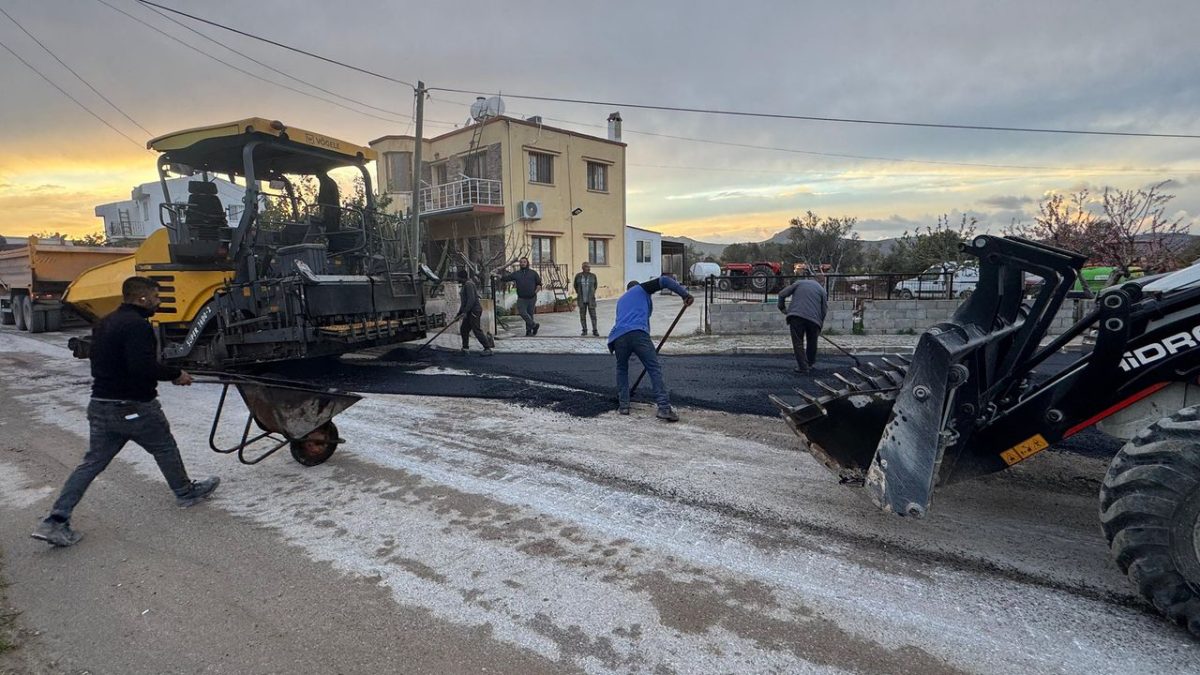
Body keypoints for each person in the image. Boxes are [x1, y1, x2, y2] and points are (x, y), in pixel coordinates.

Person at [31, 276, 220, 547]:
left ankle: (55, 521)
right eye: (156, 297)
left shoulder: (105, 322)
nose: (158, 302)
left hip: (101, 405)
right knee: (164, 447)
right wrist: (176, 374)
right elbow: (141, 367)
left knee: (91, 463)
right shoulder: (137, 327)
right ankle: (185, 492)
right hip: (134, 406)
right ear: (142, 298)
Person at [608, 277, 693, 422]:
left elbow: (624, 320)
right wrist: (684, 294)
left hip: (618, 337)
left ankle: (623, 405)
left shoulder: (621, 300)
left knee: (622, 369)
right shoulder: (642, 289)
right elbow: (665, 280)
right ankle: (664, 408)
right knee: (653, 368)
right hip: (638, 334)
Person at [778, 274, 828, 373]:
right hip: (814, 320)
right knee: (812, 341)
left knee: (798, 342)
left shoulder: (799, 283)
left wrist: (782, 308)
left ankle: (803, 367)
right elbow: (824, 310)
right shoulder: (822, 291)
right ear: (822, 283)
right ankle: (810, 363)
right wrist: (819, 325)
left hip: (796, 317)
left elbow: (781, 294)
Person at [497, 257, 542, 336]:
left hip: (532, 298)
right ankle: (534, 326)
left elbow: (539, 284)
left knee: (530, 314)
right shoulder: (517, 274)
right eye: (521, 262)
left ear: (527, 263)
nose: (522, 263)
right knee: (522, 313)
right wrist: (497, 275)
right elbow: (506, 278)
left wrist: (535, 292)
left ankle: (529, 331)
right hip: (521, 298)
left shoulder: (533, 273)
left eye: (524, 262)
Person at [456, 268, 493, 355]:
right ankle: (465, 349)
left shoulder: (469, 284)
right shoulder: (465, 285)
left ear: (462, 278)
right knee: (464, 329)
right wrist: (460, 313)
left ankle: (488, 348)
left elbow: (471, 300)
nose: (458, 280)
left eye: (459, 278)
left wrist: (465, 311)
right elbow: (464, 302)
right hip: (469, 311)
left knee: (476, 329)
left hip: (474, 311)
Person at [573, 262, 600, 336]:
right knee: (582, 316)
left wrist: (592, 292)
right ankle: (584, 330)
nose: (589, 268)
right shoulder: (578, 276)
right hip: (581, 299)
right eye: (587, 267)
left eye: (589, 267)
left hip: (591, 299)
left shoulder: (593, 276)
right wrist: (579, 293)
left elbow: (595, 286)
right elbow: (575, 285)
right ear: (583, 268)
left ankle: (595, 330)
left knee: (593, 316)